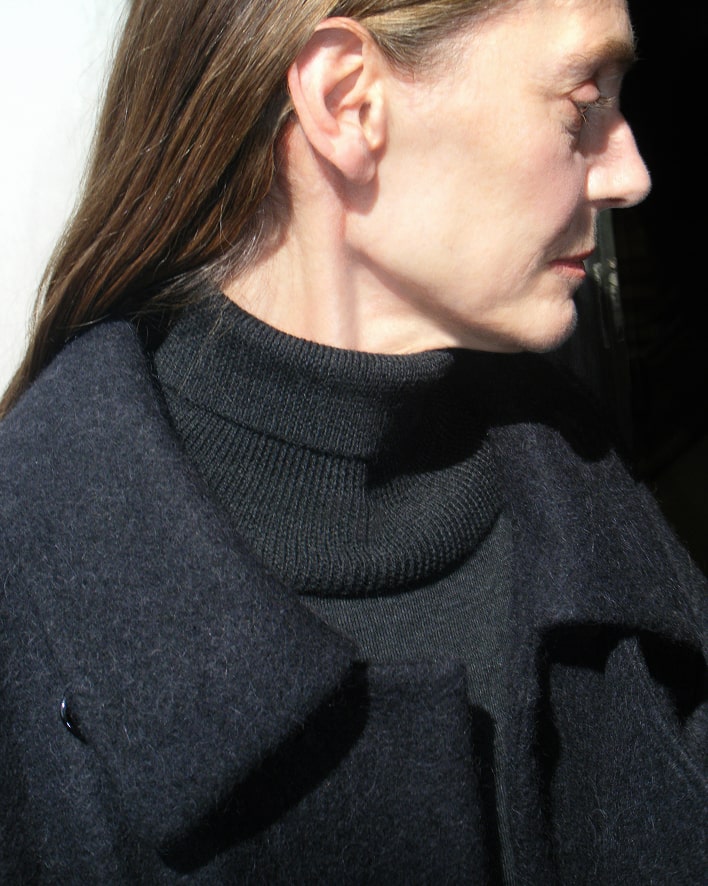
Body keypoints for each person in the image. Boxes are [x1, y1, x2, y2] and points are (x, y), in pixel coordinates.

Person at [1, 0, 705, 882]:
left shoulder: (592, 490)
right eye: (584, 100)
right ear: (346, 103)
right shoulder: (24, 613)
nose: (630, 174)